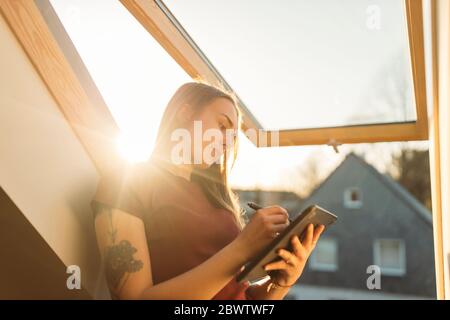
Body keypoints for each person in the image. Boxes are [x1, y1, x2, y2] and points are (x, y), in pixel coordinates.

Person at [91, 82, 325, 300]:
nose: (227, 141)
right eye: (222, 126)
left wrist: (282, 283)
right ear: (184, 114)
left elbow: (237, 294)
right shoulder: (126, 183)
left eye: (232, 137)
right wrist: (243, 247)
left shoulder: (218, 200)